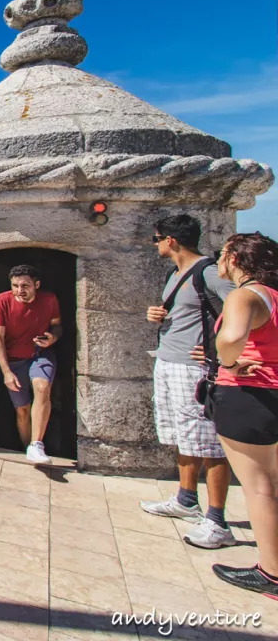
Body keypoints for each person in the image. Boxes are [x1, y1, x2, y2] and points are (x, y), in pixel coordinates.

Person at [140, 215, 235, 549]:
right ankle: (186, 499)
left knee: (210, 445)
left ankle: (218, 521)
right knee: (184, 436)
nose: (156, 246)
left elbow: (245, 307)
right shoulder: (176, 274)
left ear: (171, 241)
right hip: (168, 361)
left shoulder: (208, 272)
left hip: (194, 370)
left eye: (156, 240)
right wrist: (159, 315)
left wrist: (216, 348)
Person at [205, 233, 278, 598]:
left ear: (234, 259)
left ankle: (271, 573)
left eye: (222, 253)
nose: (218, 260)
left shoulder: (244, 295)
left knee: (258, 487)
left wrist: (228, 361)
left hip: (249, 396)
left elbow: (232, 338)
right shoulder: (275, 297)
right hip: (273, 394)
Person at [0, 264, 62, 465]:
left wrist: (53, 338)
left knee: (42, 387)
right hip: (14, 361)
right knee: (22, 410)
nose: (20, 291)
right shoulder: (2, 301)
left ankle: (36, 444)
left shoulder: (49, 300)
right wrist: (6, 372)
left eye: (25, 285)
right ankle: (27, 448)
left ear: (36, 285)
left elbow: (57, 325)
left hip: (40, 354)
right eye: (15, 285)